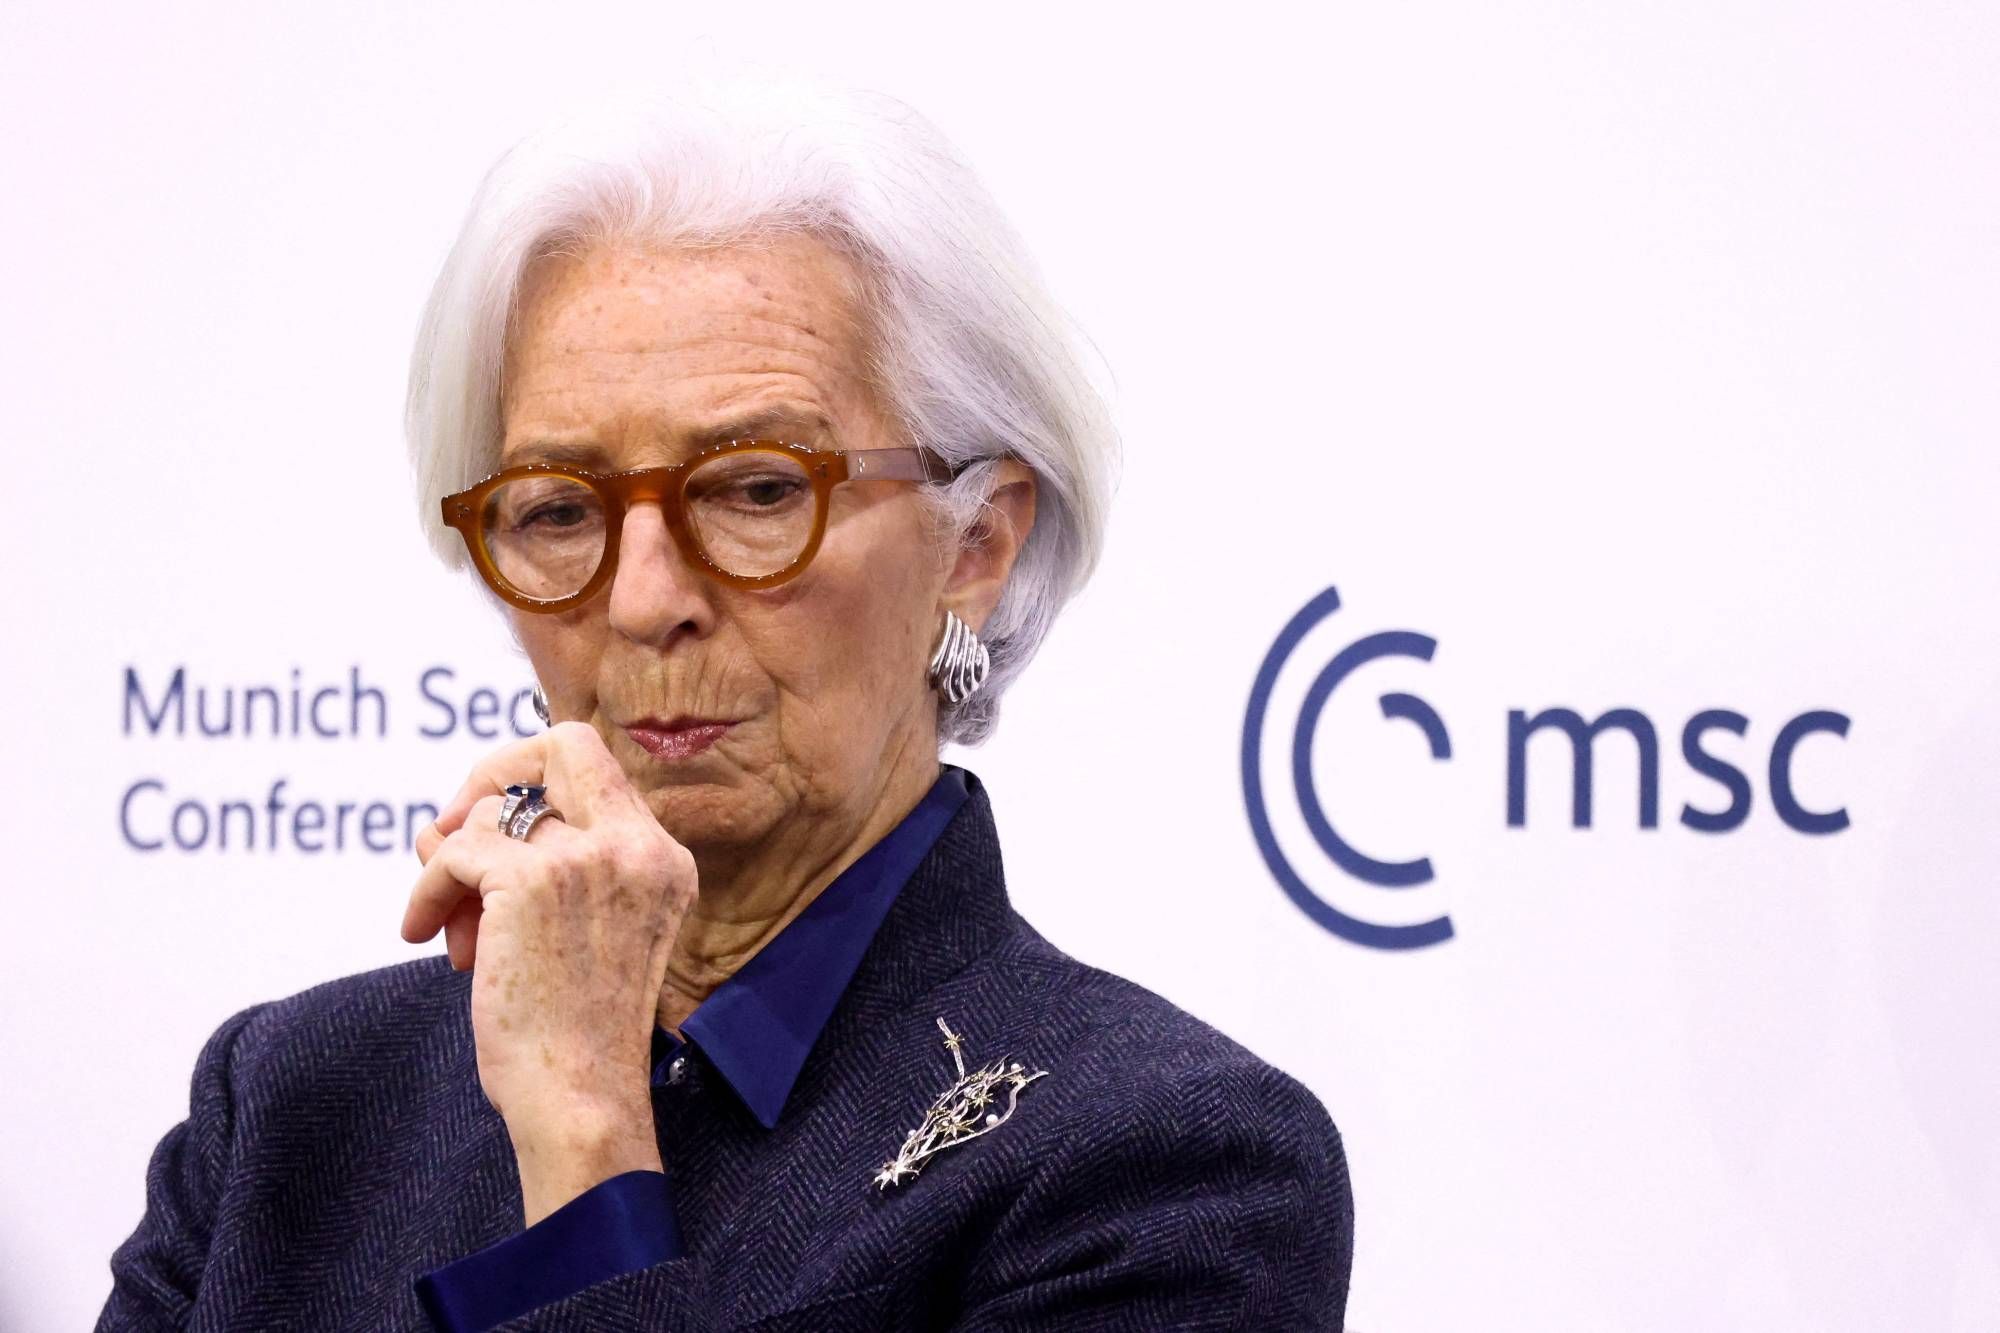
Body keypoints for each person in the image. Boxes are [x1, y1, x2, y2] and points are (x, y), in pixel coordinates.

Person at [97, 75, 1354, 1331]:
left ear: (974, 543)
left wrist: (584, 1133)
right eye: (558, 509)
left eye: (756, 490)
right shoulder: (291, 1109)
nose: (645, 600)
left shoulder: (1165, 1165)